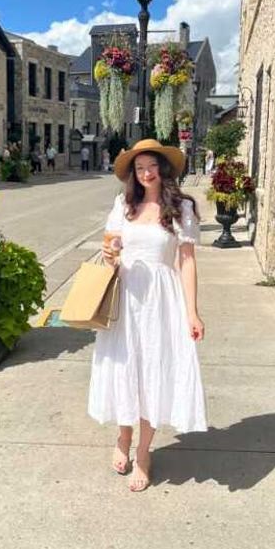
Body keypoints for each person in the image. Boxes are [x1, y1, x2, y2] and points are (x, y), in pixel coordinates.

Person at [90, 138, 207, 492]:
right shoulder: (122, 205)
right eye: (139, 168)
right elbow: (110, 247)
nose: (145, 173)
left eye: (150, 166)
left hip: (160, 300)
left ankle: (143, 451)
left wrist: (193, 312)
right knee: (126, 367)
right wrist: (111, 253)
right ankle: (123, 438)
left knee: (153, 371)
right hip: (125, 297)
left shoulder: (181, 207)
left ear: (163, 168)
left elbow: (186, 262)